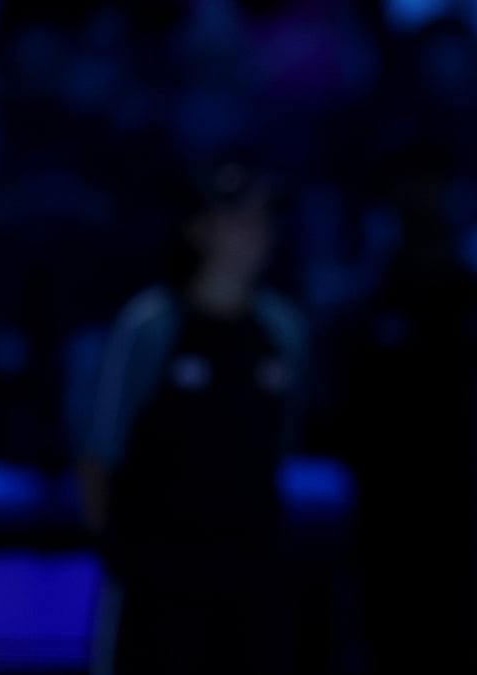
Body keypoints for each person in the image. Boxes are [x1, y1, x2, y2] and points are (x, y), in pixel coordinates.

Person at [76, 157, 308, 675]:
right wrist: (120, 560)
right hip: (159, 581)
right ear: (198, 228)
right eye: (234, 217)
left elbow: (279, 448)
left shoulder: (284, 330)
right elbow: (99, 452)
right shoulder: (150, 325)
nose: (251, 233)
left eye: (260, 218)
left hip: (249, 575)